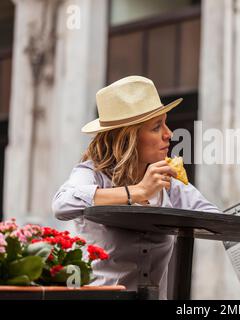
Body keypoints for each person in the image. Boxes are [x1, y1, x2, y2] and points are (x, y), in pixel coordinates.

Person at [52, 75, 221, 299]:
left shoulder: (167, 180)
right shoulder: (92, 174)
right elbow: (62, 204)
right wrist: (137, 192)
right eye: (156, 127)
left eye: (166, 123)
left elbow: (218, 220)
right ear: (127, 137)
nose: (169, 134)